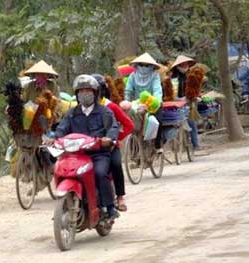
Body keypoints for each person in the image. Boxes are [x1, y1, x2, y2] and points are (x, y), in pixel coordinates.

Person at [47, 74, 119, 218]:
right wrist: (53, 138)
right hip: (75, 154)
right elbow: (62, 128)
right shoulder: (72, 113)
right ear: (77, 94)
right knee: (61, 170)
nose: (84, 94)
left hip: (98, 154)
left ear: (95, 93)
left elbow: (113, 128)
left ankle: (109, 207)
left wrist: (109, 139)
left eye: (88, 91)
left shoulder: (104, 112)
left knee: (100, 173)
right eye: (81, 91)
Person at [91, 74, 134, 212]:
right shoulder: (82, 108)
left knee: (115, 164)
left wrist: (116, 138)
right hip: (90, 145)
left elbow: (128, 125)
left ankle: (120, 196)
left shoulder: (111, 107)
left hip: (109, 146)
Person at [123, 52, 164, 152]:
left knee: (158, 121)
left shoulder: (155, 75)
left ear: (151, 66)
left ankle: (157, 145)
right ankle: (134, 153)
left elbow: (157, 90)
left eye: (147, 65)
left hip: (152, 103)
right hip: (137, 104)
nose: (144, 67)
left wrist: (155, 102)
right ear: (137, 65)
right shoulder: (132, 76)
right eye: (141, 65)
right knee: (132, 126)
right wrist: (127, 103)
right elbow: (128, 91)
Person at [170, 55, 201, 150]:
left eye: (186, 64)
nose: (185, 66)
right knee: (173, 123)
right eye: (182, 64)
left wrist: (195, 96)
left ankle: (195, 144)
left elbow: (196, 87)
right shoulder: (172, 77)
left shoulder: (191, 75)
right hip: (175, 101)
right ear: (178, 65)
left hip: (189, 101)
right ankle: (175, 146)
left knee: (191, 122)